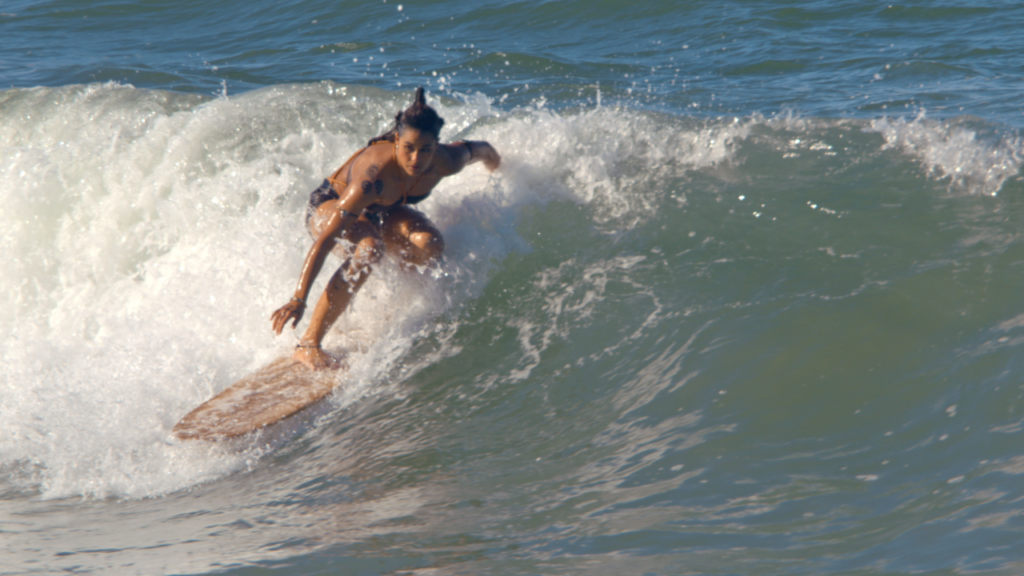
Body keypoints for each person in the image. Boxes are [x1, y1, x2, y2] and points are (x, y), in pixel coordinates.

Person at [270, 87, 501, 370]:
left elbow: (484, 150)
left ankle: (394, 307)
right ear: (396, 141)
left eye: (425, 150)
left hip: (383, 211)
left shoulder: (448, 161)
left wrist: (502, 169)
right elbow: (328, 238)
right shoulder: (372, 178)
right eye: (409, 149)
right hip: (330, 205)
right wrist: (298, 297)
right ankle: (308, 345)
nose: (416, 159)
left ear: (437, 145)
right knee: (370, 248)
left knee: (430, 245)